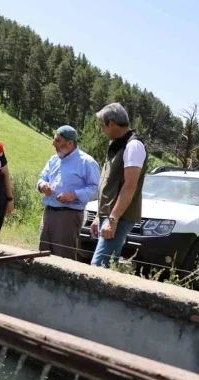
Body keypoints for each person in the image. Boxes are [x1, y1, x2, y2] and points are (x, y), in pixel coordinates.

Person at [89, 103, 147, 267]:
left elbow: (130, 186)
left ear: (112, 123)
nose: (102, 130)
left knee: (100, 265)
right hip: (110, 215)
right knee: (106, 264)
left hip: (119, 216)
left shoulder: (133, 146)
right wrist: (100, 216)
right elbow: (109, 182)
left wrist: (112, 220)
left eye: (102, 126)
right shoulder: (116, 144)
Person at [37, 125, 100, 260]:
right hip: (48, 213)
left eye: (58, 141)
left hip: (69, 216)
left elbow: (96, 189)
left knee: (63, 258)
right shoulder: (54, 160)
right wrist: (43, 185)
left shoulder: (87, 162)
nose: (53, 144)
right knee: (43, 254)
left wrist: (73, 194)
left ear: (70, 143)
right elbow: (42, 178)